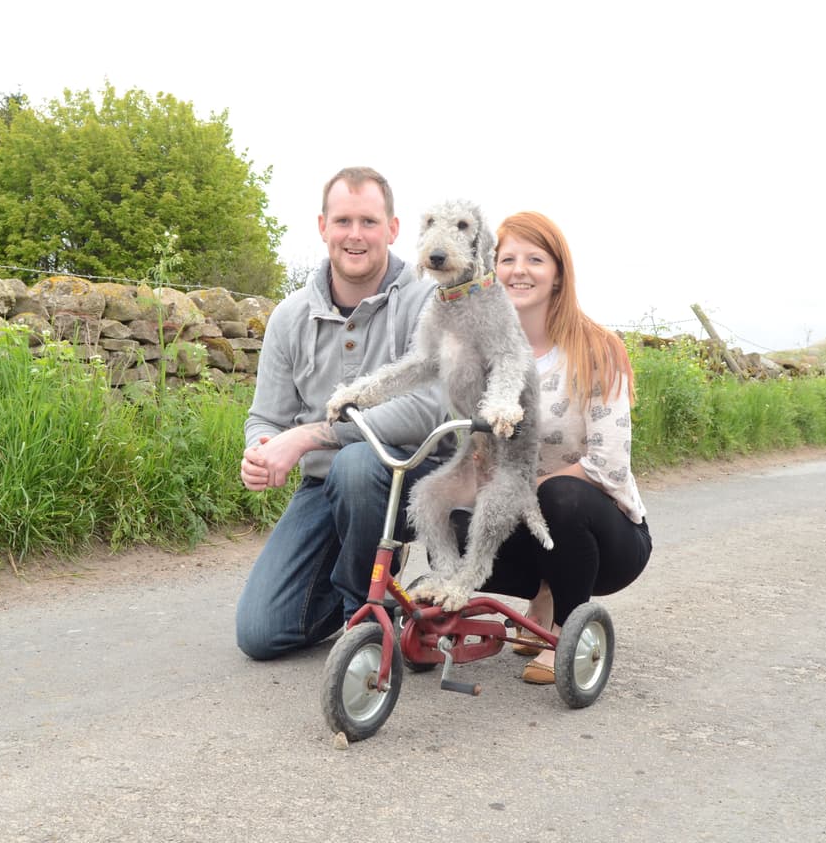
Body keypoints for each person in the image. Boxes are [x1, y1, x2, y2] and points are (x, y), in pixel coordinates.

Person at [235, 166, 449, 661]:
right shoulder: (289, 316)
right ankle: (386, 591)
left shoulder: (430, 298)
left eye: (369, 222)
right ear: (322, 226)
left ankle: (364, 614)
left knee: (356, 467)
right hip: (327, 488)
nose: (356, 235)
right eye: (344, 221)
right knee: (260, 634)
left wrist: (310, 437)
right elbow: (265, 416)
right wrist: (261, 450)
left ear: (392, 230)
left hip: (424, 475)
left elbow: (430, 407)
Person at [473, 210, 653, 684]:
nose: (519, 269)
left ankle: (562, 627)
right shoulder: (484, 355)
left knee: (560, 497)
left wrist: (528, 489)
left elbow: (609, 465)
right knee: (449, 525)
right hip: (524, 524)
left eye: (535, 258)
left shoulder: (596, 350)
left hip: (602, 536)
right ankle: (542, 592)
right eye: (507, 258)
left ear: (557, 275)